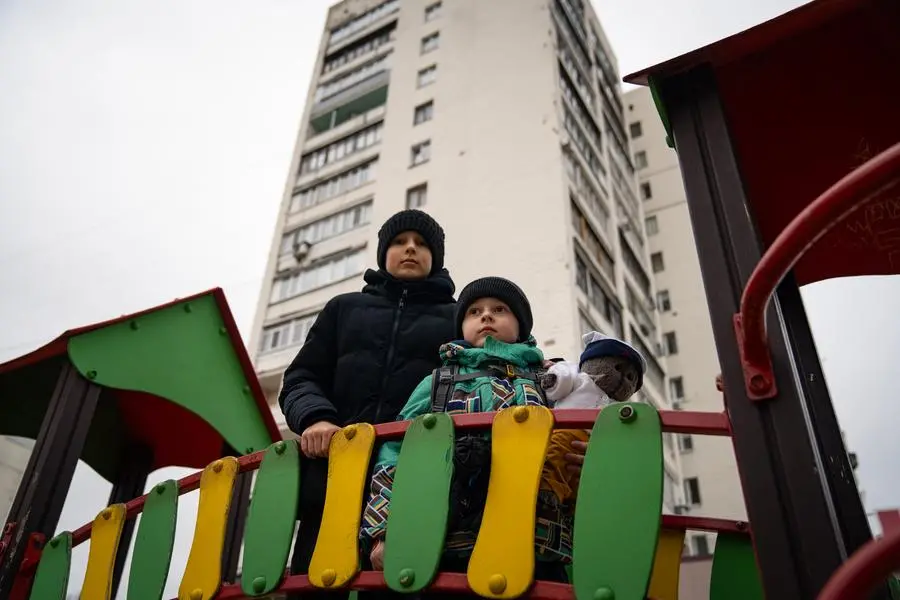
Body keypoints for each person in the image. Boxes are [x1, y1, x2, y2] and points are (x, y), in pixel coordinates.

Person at [278, 209, 457, 596]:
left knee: (407, 584)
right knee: (318, 585)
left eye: (423, 244)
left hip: (418, 485)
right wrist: (316, 418)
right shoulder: (344, 309)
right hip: (332, 483)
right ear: (383, 252)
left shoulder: (460, 318)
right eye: (399, 241)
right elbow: (300, 377)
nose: (410, 248)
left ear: (436, 257)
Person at [359, 277, 573, 585]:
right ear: (461, 326)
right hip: (451, 541)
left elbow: (575, 437)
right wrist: (382, 528)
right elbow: (395, 451)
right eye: (474, 311)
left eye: (499, 309)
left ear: (521, 326)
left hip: (534, 537)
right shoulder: (438, 382)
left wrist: (583, 458)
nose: (486, 315)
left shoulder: (551, 380)